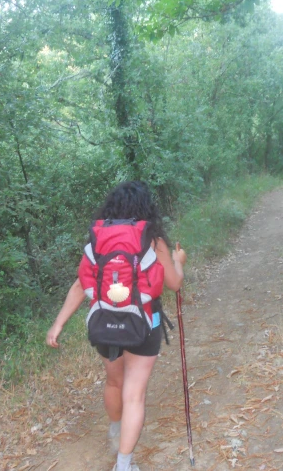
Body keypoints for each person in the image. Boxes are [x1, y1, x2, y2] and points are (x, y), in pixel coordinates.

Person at [46, 181, 187, 471]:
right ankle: (124, 464)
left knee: (113, 381)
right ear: (147, 207)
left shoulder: (100, 238)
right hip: (143, 323)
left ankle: (114, 430)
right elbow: (174, 283)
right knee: (134, 394)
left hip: (104, 323)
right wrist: (178, 261)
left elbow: (79, 283)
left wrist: (58, 324)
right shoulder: (152, 238)